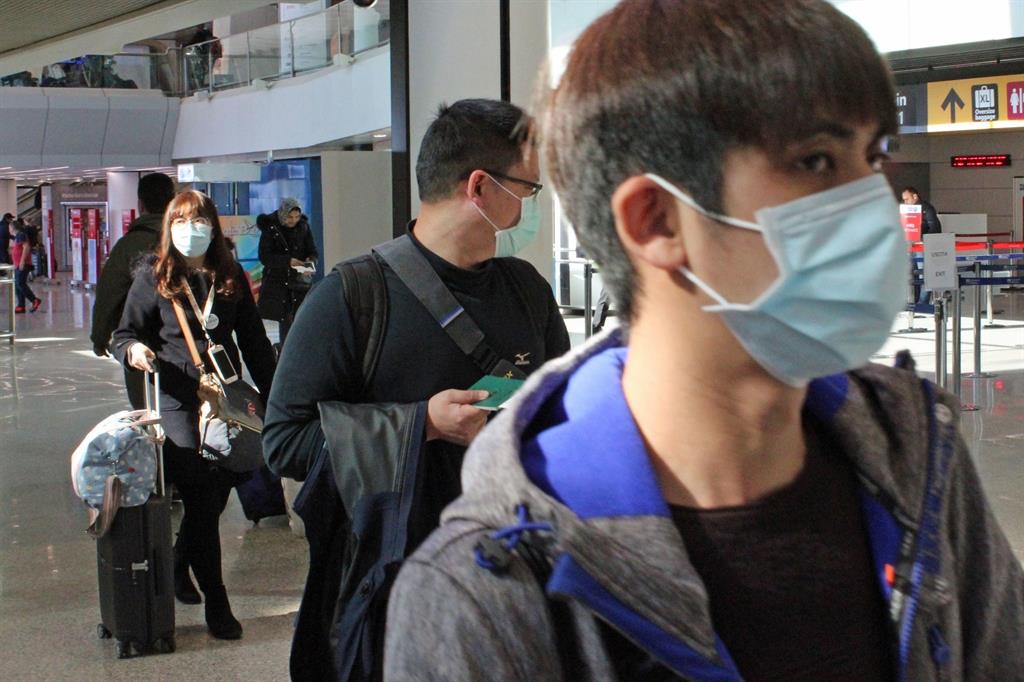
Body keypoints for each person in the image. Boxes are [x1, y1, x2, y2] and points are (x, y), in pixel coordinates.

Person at [384, 2, 1024, 681]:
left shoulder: (918, 462)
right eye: (815, 160)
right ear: (657, 219)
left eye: (873, 157)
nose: (872, 202)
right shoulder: (485, 593)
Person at [263, 98, 571, 679]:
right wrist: (421, 424)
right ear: (480, 188)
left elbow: (560, 410)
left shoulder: (525, 287)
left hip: (511, 572)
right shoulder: (352, 297)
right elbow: (283, 441)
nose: (533, 205)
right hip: (394, 584)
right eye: (528, 190)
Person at [112, 190, 276, 640]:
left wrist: (278, 396)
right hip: (178, 402)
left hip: (224, 401)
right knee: (202, 495)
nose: (192, 229)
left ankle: (182, 562)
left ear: (213, 227)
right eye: (182, 221)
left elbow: (255, 343)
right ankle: (218, 602)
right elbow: (122, 334)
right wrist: (136, 351)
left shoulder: (229, 276)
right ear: (170, 226)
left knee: (216, 496)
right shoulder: (154, 275)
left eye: (200, 220)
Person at [91, 172, 176, 409]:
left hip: (140, 341)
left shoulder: (128, 246)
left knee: (146, 410)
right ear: (173, 201)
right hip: (186, 345)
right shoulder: (186, 243)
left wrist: (100, 337)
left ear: (140, 204)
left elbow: (109, 294)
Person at [256, 198, 318, 347]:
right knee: (285, 319)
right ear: (283, 214)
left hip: (299, 281)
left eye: (296, 217)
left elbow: (312, 250)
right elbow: (265, 256)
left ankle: (295, 350)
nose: (293, 221)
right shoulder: (271, 228)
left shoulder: (303, 227)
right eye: (290, 217)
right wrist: (288, 261)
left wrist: (310, 263)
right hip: (278, 282)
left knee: (300, 317)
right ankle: (286, 351)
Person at [11, 220, 40, 314]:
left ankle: (34, 300)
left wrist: (22, 261)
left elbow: (26, 247)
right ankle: (21, 305)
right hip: (18, 264)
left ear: (12, 228)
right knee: (17, 285)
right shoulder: (18, 236)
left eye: (9, 227)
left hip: (23, 264)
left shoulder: (21, 235)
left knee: (20, 283)